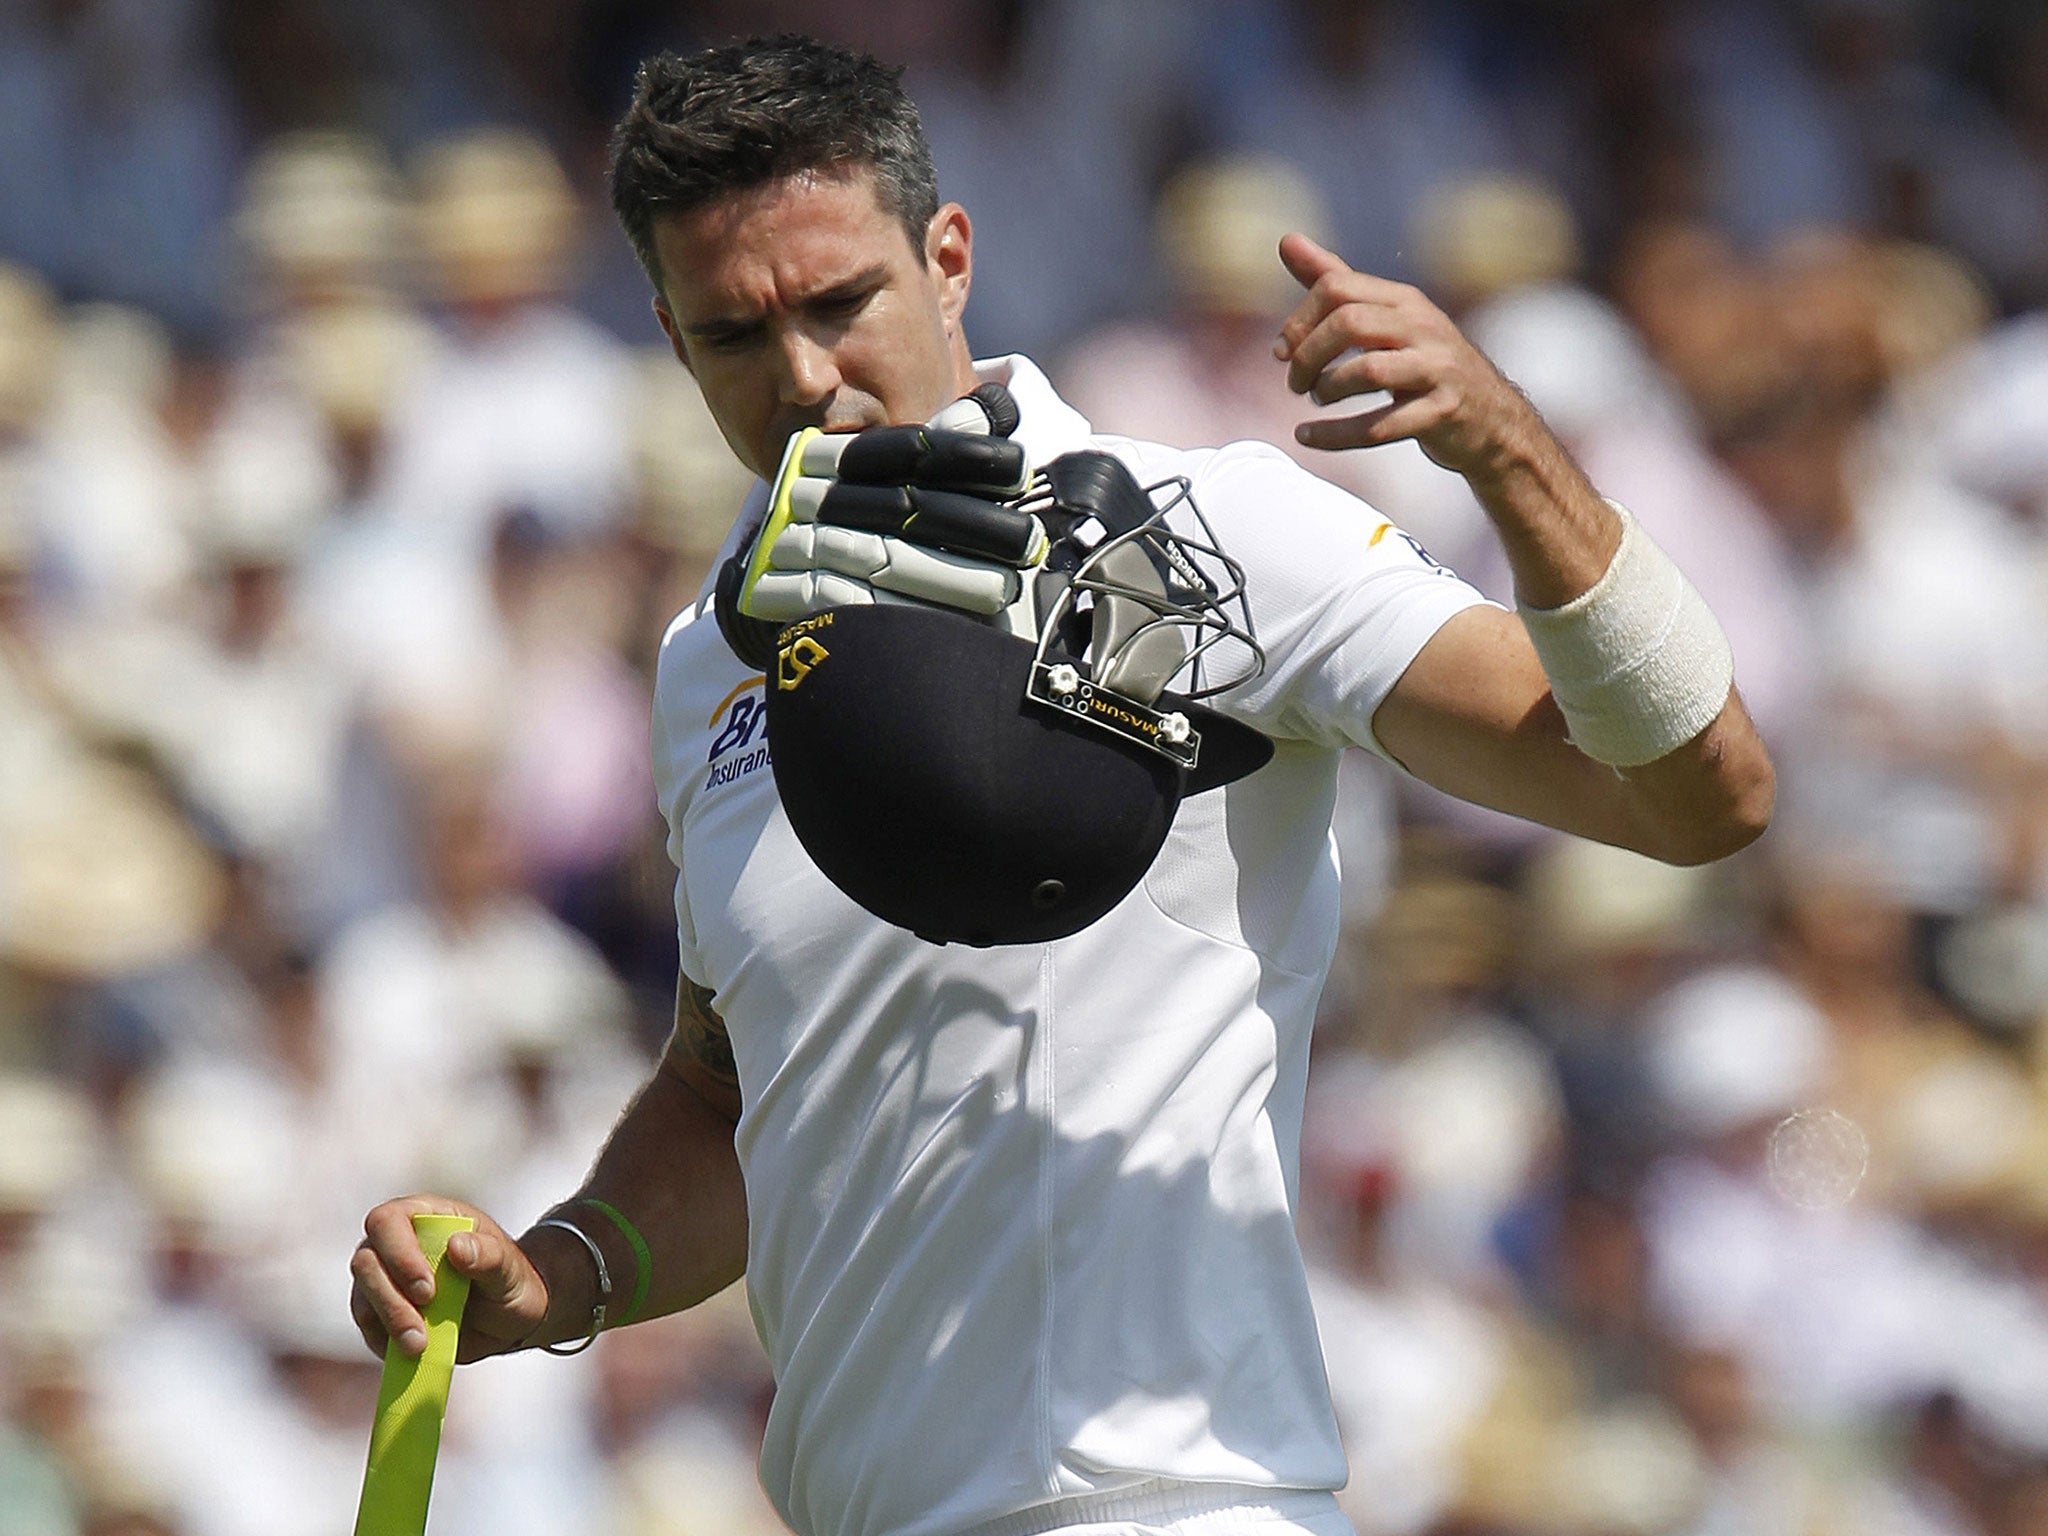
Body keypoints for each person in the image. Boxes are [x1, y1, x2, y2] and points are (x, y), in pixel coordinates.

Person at [347, 36, 1774, 1536]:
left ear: (948, 259)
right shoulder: (710, 658)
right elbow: (729, 1099)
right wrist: (559, 1270)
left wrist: (1508, 454)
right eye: (732, 336)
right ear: (666, 334)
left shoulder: (1199, 535)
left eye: (843, 305)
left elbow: (1702, 796)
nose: (807, 377)